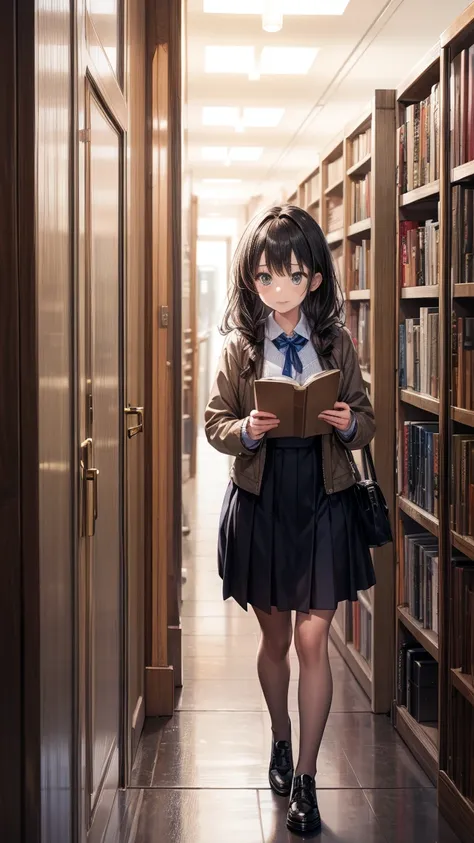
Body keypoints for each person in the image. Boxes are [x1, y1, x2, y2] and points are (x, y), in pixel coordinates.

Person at [205, 205, 376, 836]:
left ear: (316, 279)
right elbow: (214, 422)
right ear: (252, 280)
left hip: (324, 495)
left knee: (313, 640)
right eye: (267, 277)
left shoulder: (336, 343)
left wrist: (350, 423)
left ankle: (306, 776)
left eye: (293, 275)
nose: (280, 288)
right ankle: (280, 736)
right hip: (264, 497)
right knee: (276, 641)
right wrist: (246, 430)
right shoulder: (240, 349)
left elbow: (368, 417)